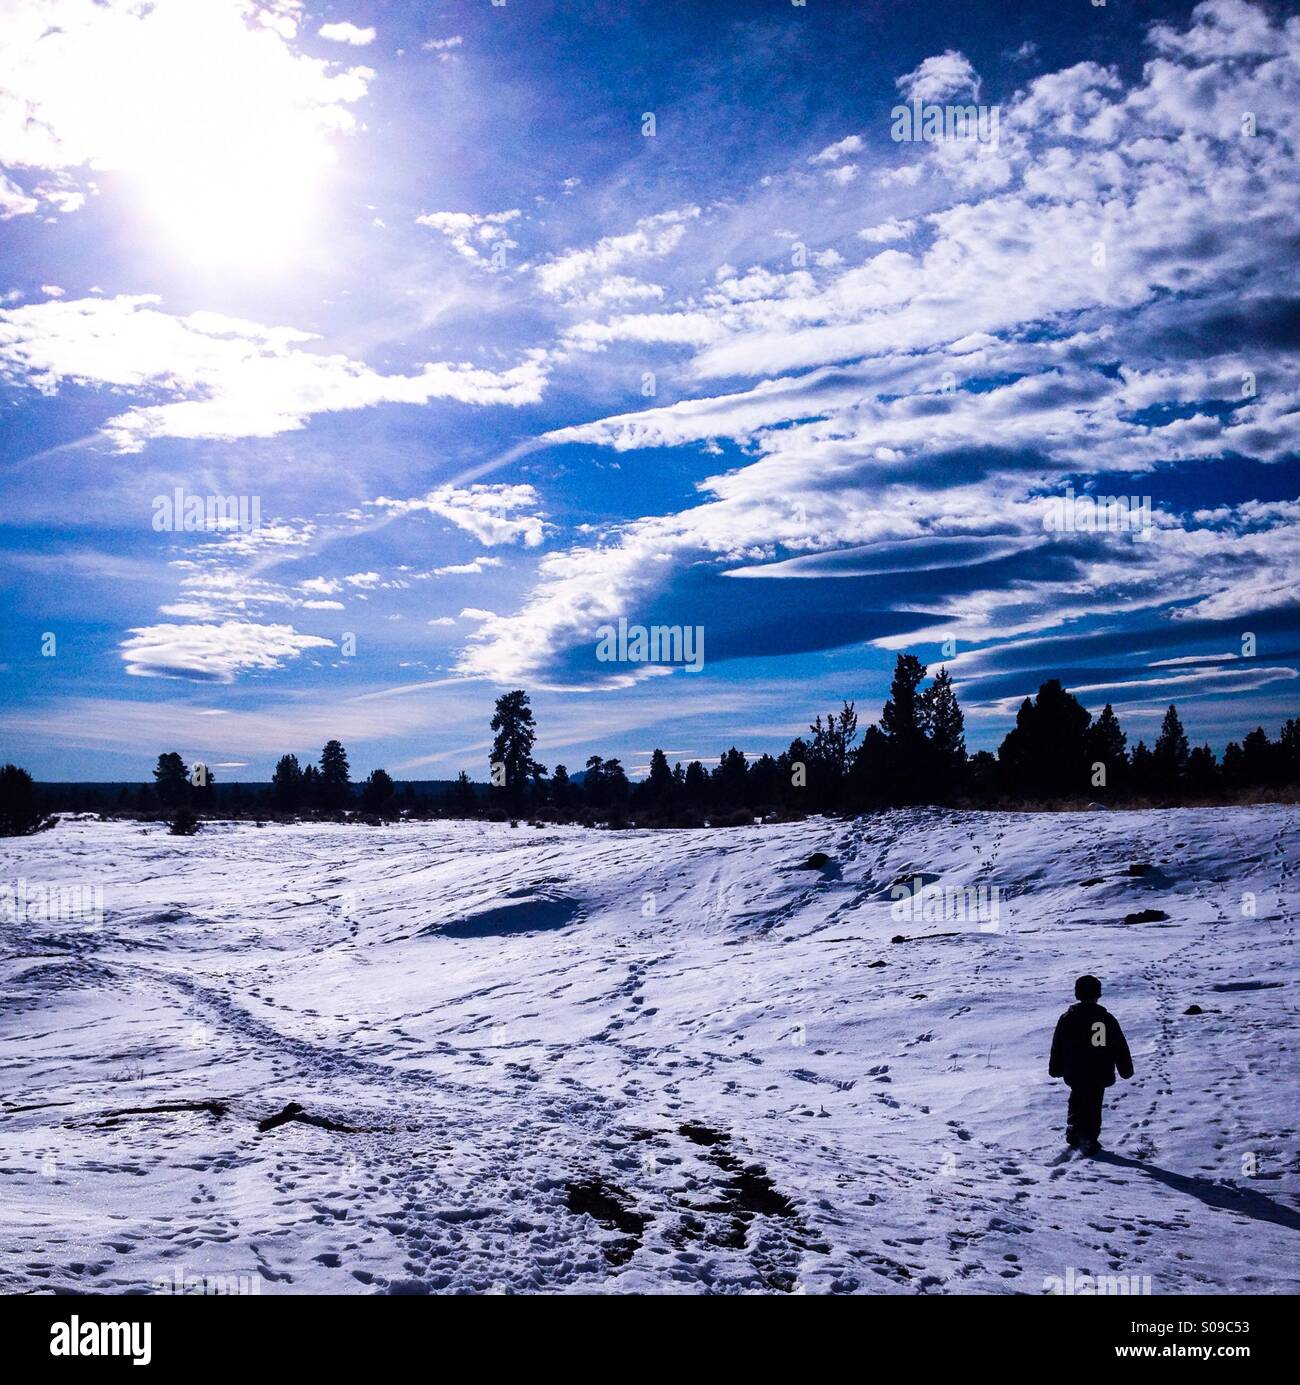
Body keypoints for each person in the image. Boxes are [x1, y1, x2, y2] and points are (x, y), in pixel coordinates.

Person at [1048, 974, 1133, 1154]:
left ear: (1077, 994)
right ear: (1098, 995)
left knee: (1077, 1097)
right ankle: (1089, 1137)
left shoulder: (1068, 1018)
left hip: (1075, 1070)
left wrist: (1056, 1066)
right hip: (1098, 1070)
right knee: (1093, 1104)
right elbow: (1118, 1045)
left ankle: (1074, 1129)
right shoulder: (1104, 1019)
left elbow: (1058, 1044)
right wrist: (1125, 1068)